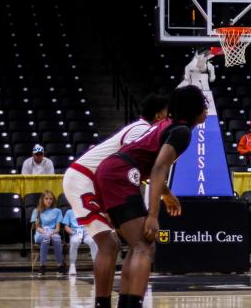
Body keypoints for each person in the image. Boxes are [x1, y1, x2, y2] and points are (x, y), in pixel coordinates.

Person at [94, 85, 208, 308]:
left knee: (139, 245)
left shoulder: (169, 125)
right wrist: (154, 215)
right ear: (194, 108)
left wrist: (165, 193)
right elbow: (157, 169)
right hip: (120, 174)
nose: (206, 109)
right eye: (203, 104)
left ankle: (124, 304)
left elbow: (148, 162)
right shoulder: (182, 132)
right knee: (145, 247)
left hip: (113, 171)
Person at [63, 92, 169, 308]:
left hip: (95, 181)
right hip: (86, 178)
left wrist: (165, 192)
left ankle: (118, 301)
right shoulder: (142, 130)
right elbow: (133, 163)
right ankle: (103, 304)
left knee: (123, 243)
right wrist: (166, 193)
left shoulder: (141, 130)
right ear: (159, 115)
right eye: (167, 113)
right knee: (109, 244)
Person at [31, 190, 64, 275]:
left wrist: (52, 233)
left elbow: (57, 228)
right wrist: (45, 232)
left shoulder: (57, 211)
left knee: (57, 239)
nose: (49, 200)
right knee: (46, 238)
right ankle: (42, 265)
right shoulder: (36, 211)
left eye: (51, 199)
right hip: (41, 233)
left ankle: (60, 265)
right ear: (42, 200)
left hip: (53, 232)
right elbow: (37, 227)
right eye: (46, 198)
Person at [62, 206, 97, 274]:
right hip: (75, 232)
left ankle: (96, 264)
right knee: (74, 241)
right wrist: (72, 232)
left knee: (93, 241)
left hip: (87, 231)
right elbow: (66, 226)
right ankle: (72, 265)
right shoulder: (69, 212)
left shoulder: (87, 210)